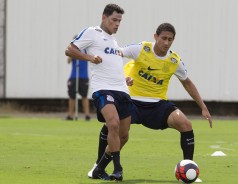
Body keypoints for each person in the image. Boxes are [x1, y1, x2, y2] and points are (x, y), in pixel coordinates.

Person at [88, 23, 213, 181]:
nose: (166, 42)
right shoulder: (141, 49)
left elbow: (187, 83)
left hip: (157, 105)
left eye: (170, 39)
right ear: (155, 37)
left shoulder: (174, 60)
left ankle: (189, 168)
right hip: (131, 101)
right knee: (112, 126)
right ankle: (98, 165)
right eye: (163, 38)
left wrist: (203, 107)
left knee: (185, 124)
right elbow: (115, 55)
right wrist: (119, 78)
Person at [65, 3, 132, 181]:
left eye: (119, 21)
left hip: (122, 90)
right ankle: (118, 169)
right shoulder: (92, 32)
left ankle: (99, 168)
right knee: (113, 123)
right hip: (102, 88)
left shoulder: (114, 42)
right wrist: (89, 58)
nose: (117, 24)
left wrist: (125, 79)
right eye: (114, 20)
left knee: (124, 135)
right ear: (104, 17)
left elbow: (112, 64)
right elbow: (70, 49)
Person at [66, 35, 91, 121]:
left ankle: (87, 115)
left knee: (84, 96)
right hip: (74, 76)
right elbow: (68, 61)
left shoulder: (86, 50)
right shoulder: (73, 50)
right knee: (72, 96)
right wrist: (72, 54)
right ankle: (70, 115)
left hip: (84, 76)